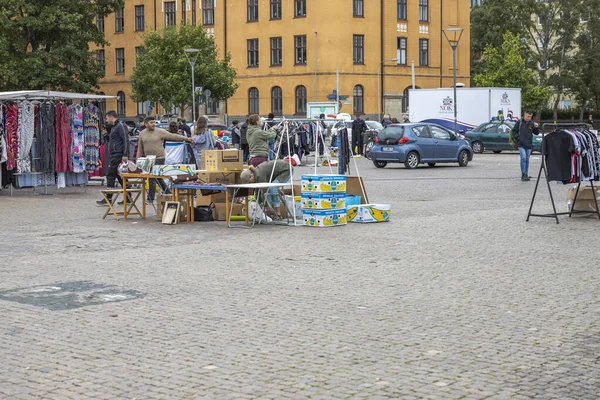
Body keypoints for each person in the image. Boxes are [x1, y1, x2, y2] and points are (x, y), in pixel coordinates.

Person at [137, 117, 193, 203]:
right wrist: (138, 160)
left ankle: (150, 199)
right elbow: (140, 148)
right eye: (151, 122)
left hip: (159, 157)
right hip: (149, 159)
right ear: (146, 124)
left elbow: (172, 136)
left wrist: (186, 139)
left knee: (152, 177)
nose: (153, 124)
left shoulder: (160, 131)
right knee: (157, 178)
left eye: (154, 122)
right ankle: (168, 192)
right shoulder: (142, 134)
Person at [97, 110, 129, 205]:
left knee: (110, 173)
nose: (107, 120)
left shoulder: (120, 125)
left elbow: (125, 140)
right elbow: (113, 141)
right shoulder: (115, 127)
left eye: (107, 118)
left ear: (111, 117)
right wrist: (106, 135)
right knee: (119, 176)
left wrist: (125, 154)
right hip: (115, 153)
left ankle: (108, 198)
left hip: (118, 154)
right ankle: (128, 196)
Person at [511, 111, 540, 181]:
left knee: (527, 159)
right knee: (523, 158)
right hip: (521, 144)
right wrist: (519, 138)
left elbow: (536, 133)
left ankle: (526, 174)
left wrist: (536, 127)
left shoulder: (531, 123)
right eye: (528, 116)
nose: (529, 118)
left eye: (530, 117)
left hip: (529, 144)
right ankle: (523, 174)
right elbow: (513, 132)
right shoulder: (519, 122)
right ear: (524, 116)